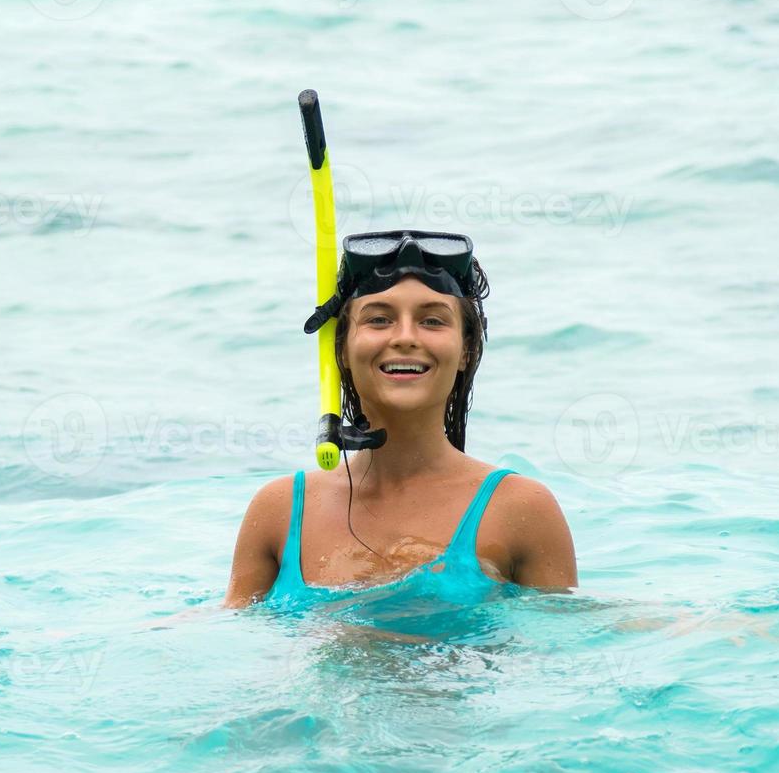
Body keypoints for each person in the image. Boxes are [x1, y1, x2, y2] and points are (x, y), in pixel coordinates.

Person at [223, 230, 577, 611]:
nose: (405, 337)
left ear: (466, 349)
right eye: (379, 319)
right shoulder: (280, 510)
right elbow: (229, 631)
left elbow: (564, 642)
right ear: (341, 348)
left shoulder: (520, 509)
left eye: (432, 321)